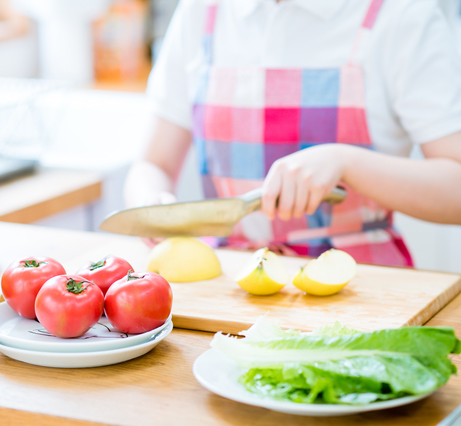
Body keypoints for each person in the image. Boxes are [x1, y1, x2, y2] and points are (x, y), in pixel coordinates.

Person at [124, 0, 461, 267]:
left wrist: (346, 162)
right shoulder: (200, 11)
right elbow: (153, 164)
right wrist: (151, 204)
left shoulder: (403, 15)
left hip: (361, 285)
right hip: (232, 280)